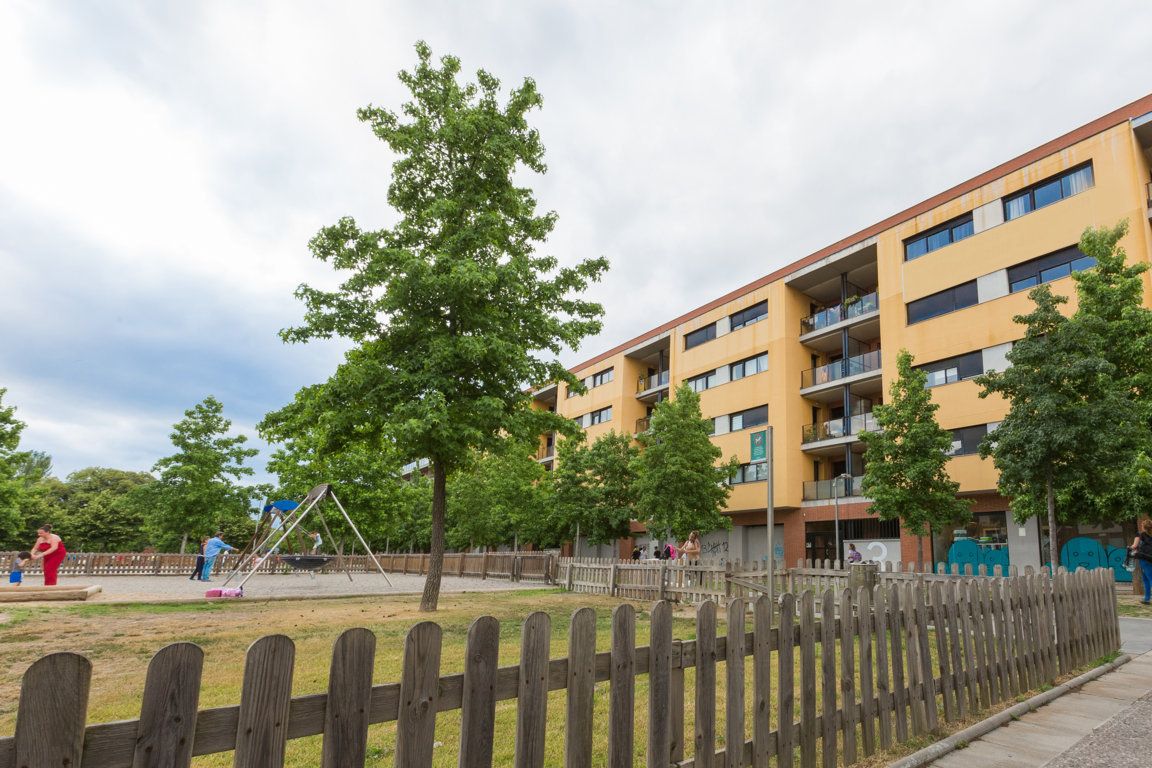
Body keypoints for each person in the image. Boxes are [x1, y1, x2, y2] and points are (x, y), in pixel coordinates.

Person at [1129, 519, 1152, 605]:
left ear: (1143, 526)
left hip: (1144, 559)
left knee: (1149, 578)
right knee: (1145, 579)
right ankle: (1146, 598)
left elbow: (1134, 546)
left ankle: (1147, 598)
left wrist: (1129, 548)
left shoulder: (1140, 534)